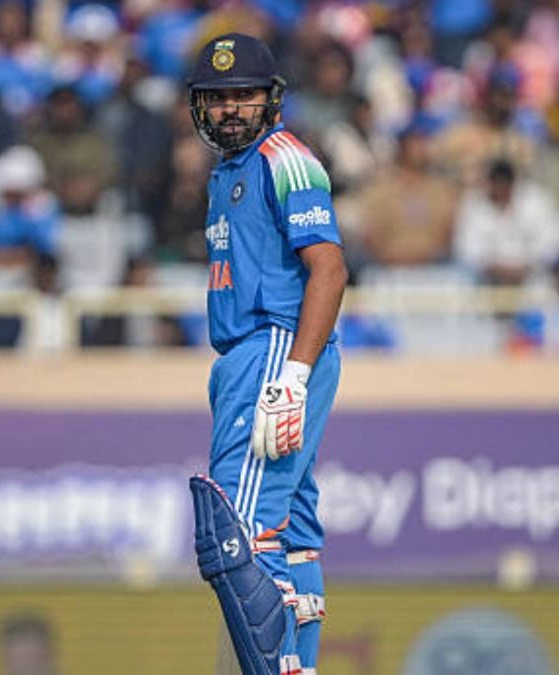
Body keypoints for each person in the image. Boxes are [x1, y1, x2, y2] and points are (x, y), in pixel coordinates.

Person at [186, 34, 347, 675]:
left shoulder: (286, 160)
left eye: (244, 95)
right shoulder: (228, 171)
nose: (230, 108)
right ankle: (299, 663)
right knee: (290, 528)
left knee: (239, 532)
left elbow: (329, 270)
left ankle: (274, 666)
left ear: (271, 99)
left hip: (276, 346)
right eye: (217, 97)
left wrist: (293, 377)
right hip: (251, 354)